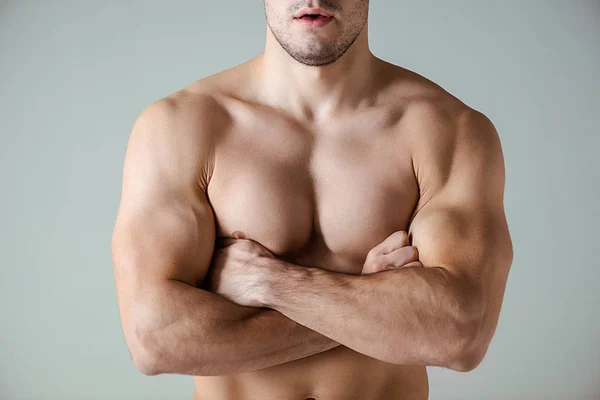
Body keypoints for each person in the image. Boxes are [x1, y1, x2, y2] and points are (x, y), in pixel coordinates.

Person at [111, 1, 514, 399]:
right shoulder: (182, 127)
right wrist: (367, 296)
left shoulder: (448, 132)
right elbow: (156, 339)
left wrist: (270, 283)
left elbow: (461, 333)